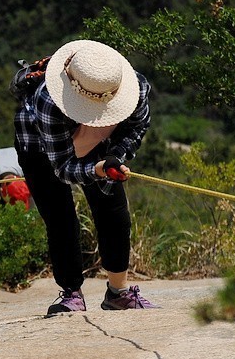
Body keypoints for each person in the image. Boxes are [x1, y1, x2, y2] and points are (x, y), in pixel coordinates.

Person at [13, 39, 158, 315]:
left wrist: (115, 156)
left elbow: (137, 126)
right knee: (60, 217)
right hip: (39, 145)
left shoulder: (136, 87)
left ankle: (118, 292)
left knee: (114, 212)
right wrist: (95, 170)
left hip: (99, 139)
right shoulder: (48, 101)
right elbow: (63, 168)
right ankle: (71, 293)